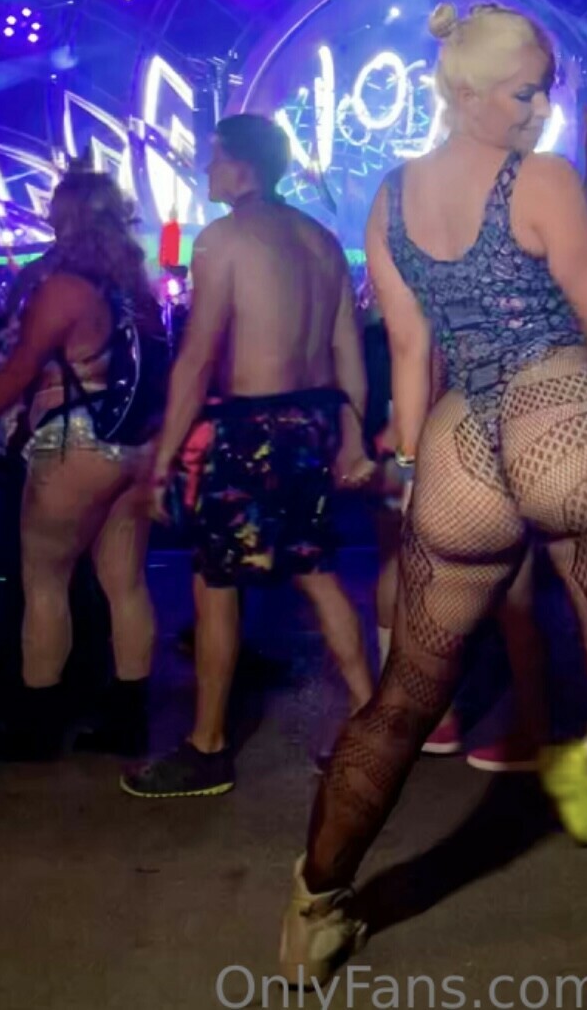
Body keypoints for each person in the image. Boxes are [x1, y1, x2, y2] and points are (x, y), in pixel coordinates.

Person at [282, 3, 587, 994]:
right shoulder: (541, 181)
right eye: (524, 92)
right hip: (574, 427)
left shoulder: (389, 201)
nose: (539, 110)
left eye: (543, 92)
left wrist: (412, 472)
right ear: (465, 89)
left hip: (462, 449)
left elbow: (412, 352)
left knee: (402, 698)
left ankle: (315, 910)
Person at [122, 114, 375, 799]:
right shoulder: (322, 241)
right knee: (316, 570)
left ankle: (207, 747)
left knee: (214, 584)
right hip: (311, 421)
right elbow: (347, 352)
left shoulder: (225, 239)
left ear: (243, 167)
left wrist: (165, 458)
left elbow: (197, 358)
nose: (205, 171)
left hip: (249, 430)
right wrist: (352, 437)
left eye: (214, 159)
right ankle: (372, 722)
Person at [0, 170, 164, 761]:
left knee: (44, 582)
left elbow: (18, 373)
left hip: (74, 444)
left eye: (53, 208)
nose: (46, 216)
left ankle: (37, 728)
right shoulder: (135, 290)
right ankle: (129, 721)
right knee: (125, 584)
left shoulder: (63, 289)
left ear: (69, 216)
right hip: (135, 447)